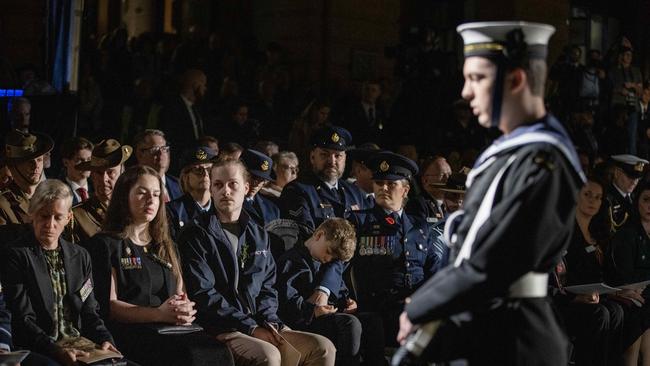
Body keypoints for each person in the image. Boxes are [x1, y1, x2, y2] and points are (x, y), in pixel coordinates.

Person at [396, 21, 585, 365]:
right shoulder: (506, 155)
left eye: (477, 78)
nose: (466, 92)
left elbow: (492, 264)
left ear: (515, 80)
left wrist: (423, 304)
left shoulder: (543, 162)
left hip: (514, 339)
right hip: (481, 329)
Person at [178, 159, 336, 366]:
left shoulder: (258, 234)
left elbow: (268, 287)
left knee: (322, 347)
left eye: (232, 184)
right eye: (218, 184)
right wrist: (250, 327)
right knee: (268, 356)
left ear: (245, 188)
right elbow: (203, 293)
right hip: (221, 327)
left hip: (260, 323)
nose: (225, 191)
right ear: (211, 189)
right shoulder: (195, 233)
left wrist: (270, 321)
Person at [84, 165, 234, 366]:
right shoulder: (105, 244)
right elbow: (109, 307)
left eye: (156, 194)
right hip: (131, 331)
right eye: (142, 193)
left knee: (218, 353)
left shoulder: (164, 244)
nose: (150, 200)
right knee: (190, 356)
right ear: (123, 197)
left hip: (171, 328)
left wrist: (184, 309)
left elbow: (182, 293)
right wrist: (158, 314)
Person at [0, 180, 125, 365]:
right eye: (44, 216)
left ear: (68, 218)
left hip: (80, 343)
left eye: (58, 217)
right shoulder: (16, 255)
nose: (50, 224)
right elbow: (23, 319)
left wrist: (104, 339)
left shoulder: (81, 256)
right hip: (38, 345)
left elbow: (90, 310)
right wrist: (55, 350)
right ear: (32, 214)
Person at [350, 151, 438, 345]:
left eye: (391, 184)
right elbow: (341, 263)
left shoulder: (419, 226)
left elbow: (434, 269)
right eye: (379, 183)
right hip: (379, 308)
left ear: (405, 190)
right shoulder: (360, 221)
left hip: (416, 303)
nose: (384, 188)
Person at [276, 218, 387, 366]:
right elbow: (286, 301)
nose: (328, 259)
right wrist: (313, 311)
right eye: (328, 252)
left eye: (334, 258)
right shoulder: (291, 260)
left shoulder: (326, 263)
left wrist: (347, 303)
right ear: (319, 235)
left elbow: (340, 291)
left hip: (329, 316)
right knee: (350, 324)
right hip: (305, 319)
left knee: (373, 321)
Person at [551, 177, 625, 366]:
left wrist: (621, 289)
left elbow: (609, 274)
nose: (593, 200)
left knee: (617, 311)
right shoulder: (561, 232)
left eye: (598, 197)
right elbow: (552, 279)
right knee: (600, 314)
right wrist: (574, 297)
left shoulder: (598, 233)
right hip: (564, 301)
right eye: (587, 194)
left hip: (594, 299)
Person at [606, 181, 650, 365]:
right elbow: (624, 276)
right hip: (627, 293)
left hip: (643, 293)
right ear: (637, 202)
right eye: (647, 199)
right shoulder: (627, 234)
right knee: (640, 309)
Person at [71, 139, 132, 243]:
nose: (104, 179)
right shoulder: (78, 215)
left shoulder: (133, 210)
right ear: (92, 175)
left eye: (111, 172)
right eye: (99, 173)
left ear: (122, 173)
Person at [0, 129, 53, 225]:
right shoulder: (3, 204)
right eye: (29, 161)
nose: (36, 166)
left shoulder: (54, 197)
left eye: (39, 160)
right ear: (12, 166)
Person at [166, 146, 218, 240]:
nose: (205, 174)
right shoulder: (172, 211)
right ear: (186, 176)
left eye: (209, 169)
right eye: (198, 170)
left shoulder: (220, 207)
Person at [160, 69, 207, 151]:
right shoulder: (172, 108)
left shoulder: (196, 109)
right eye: (203, 84)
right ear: (195, 85)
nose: (205, 88)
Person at [133, 129, 182, 202]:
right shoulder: (131, 185)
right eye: (155, 149)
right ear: (140, 154)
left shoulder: (179, 186)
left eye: (164, 149)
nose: (161, 154)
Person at [405, 156, 451, 225]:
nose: (447, 179)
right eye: (442, 175)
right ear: (425, 180)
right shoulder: (417, 205)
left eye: (449, 175)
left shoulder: (449, 205)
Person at [607, 154, 648, 231]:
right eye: (630, 177)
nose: (634, 182)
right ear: (616, 173)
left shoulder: (635, 197)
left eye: (637, 178)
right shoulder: (607, 200)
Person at [240, 149, 280, 227]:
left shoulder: (272, 209)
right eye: (253, 177)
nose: (257, 183)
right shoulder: (230, 202)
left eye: (262, 179)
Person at [59, 137, 93, 205]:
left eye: (89, 160)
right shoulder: (58, 192)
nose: (86, 165)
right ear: (66, 162)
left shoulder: (96, 190)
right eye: (80, 161)